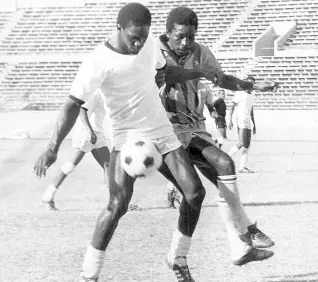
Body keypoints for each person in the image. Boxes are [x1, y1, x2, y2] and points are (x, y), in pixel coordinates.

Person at [33, 3, 224, 282]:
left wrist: (201, 72)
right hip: (126, 137)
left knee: (195, 193)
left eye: (144, 36)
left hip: (160, 129)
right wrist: (52, 147)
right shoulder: (97, 61)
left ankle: (177, 258)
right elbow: (72, 105)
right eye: (134, 36)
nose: (139, 42)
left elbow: (167, 72)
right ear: (119, 28)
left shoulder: (148, 45)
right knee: (118, 204)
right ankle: (89, 273)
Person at [157, 6, 277, 267]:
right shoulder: (153, 53)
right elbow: (169, 75)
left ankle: (234, 249)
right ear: (167, 33)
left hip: (194, 129)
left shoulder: (200, 52)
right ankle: (247, 230)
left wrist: (248, 85)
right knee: (223, 164)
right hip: (166, 130)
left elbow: (220, 79)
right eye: (180, 37)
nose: (186, 42)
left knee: (221, 185)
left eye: (191, 36)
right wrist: (201, 73)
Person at [41, 90, 110, 211]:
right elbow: (82, 111)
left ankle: (118, 201)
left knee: (109, 167)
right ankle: (47, 197)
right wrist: (89, 131)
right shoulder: (95, 92)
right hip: (86, 133)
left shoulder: (105, 91)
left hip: (97, 134)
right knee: (70, 166)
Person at [228, 76, 256, 173]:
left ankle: (242, 167)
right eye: (248, 83)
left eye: (252, 83)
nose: (250, 85)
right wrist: (230, 120)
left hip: (248, 120)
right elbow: (232, 106)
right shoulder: (240, 93)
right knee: (242, 142)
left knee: (247, 144)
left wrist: (254, 124)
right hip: (241, 119)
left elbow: (251, 110)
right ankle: (226, 158)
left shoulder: (252, 94)